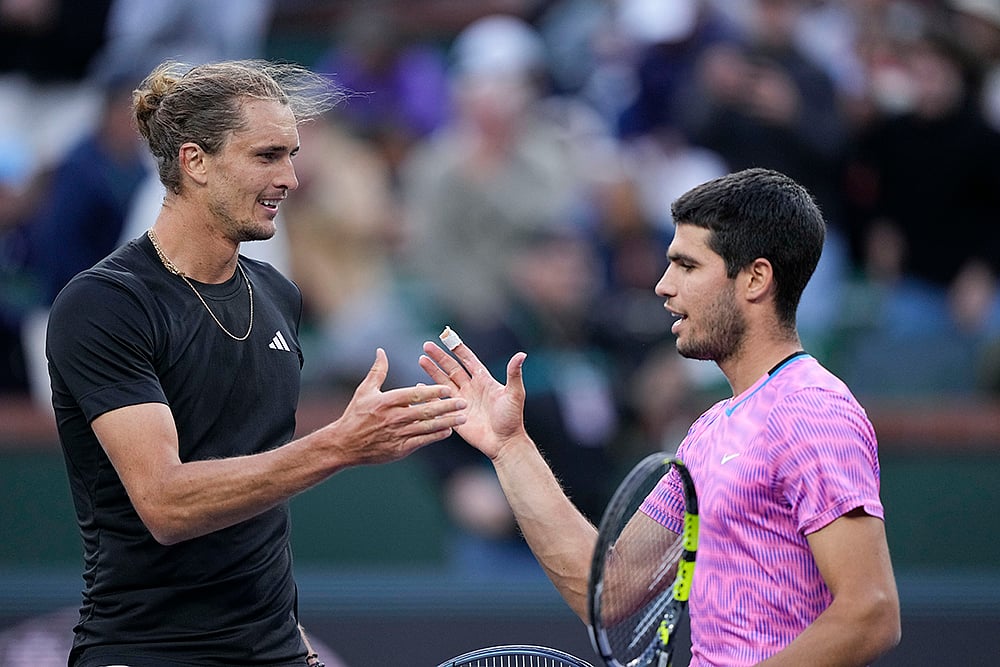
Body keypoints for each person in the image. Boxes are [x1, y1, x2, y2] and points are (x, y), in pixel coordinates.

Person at [45, 59, 467, 667]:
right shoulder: (105, 305)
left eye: (293, 154)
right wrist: (339, 446)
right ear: (194, 162)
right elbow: (165, 503)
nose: (292, 178)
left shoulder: (275, 294)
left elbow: (254, 521)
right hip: (149, 653)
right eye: (268, 156)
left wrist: (299, 651)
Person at [419, 168, 901, 666]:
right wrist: (511, 446)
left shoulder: (813, 410)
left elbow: (871, 612)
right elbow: (605, 592)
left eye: (687, 266)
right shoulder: (708, 432)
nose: (663, 286)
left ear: (755, 278)